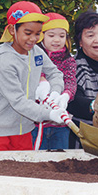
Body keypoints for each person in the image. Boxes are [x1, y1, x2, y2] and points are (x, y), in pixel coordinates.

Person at [0, 1, 67, 151]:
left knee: (24, 170)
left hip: (25, 128)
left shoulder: (36, 53)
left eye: (37, 33)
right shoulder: (4, 62)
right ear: (12, 30)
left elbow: (55, 73)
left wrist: (55, 91)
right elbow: (18, 102)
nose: (33, 39)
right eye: (28, 33)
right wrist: (50, 114)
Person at [67, 11, 98, 149]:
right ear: (80, 41)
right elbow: (73, 101)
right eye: (90, 35)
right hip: (83, 141)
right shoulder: (74, 66)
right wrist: (95, 107)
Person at [31, 13, 77, 150]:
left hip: (60, 124)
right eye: (51, 35)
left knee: (60, 161)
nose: (57, 40)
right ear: (41, 36)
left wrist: (66, 94)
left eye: (62, 36)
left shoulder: (68, 60)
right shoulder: (34, 56)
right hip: (35, 122)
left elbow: (70, 81)